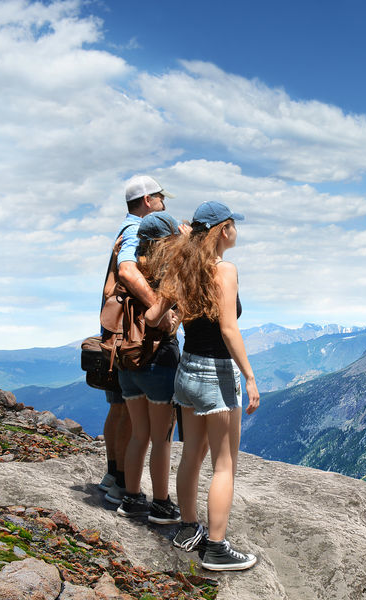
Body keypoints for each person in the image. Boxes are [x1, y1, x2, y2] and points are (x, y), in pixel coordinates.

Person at [145, 201, 260, 572]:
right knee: (224, 465)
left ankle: (187, 528)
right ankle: (216, 547)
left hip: (187, 370)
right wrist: (250, 376)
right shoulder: (225, 270)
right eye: (233, 226)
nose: (236, 232)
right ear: (223, 229)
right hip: (217, 374)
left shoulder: (181, 268)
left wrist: (176, 313)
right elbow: (228, 327)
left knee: (191, 454)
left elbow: (151, 316)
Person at [101, 175, 175, 505]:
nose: (163, 202)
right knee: (145, 426)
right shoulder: (135, 230)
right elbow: (129, 272)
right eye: (160, 197)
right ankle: (131, 489)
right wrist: (160, 309)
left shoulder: (123, 230)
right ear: (147, 200)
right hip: (142, 341)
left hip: (118, 336)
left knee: (122, 409)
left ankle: (116, 479)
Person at [114, 212, 183, 524]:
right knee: (161, 439)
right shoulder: (166, 273)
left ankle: (130, 498)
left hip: (128, 359)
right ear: (166, 241)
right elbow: (168, 323)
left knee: (138, 434)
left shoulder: (129, 269)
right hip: (159, 360)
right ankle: (160, 503)